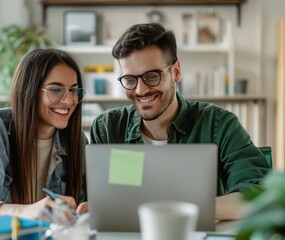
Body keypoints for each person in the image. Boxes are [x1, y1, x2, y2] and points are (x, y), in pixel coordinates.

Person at [90, 23, 270, 220]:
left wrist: (177, 212)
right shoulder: (108, 128)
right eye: (130, 79)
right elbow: (99, 200)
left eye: (152, 76)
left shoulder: (219, 124)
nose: (141, 90)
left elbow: (257, 195)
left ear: (176, 72)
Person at [0, 48, 88, 221]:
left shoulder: (77, 141)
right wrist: (23, 211)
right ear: (29, 90)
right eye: (55, 90)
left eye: (74, 90)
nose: (69, 101)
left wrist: (87, 212)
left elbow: (81, 207)